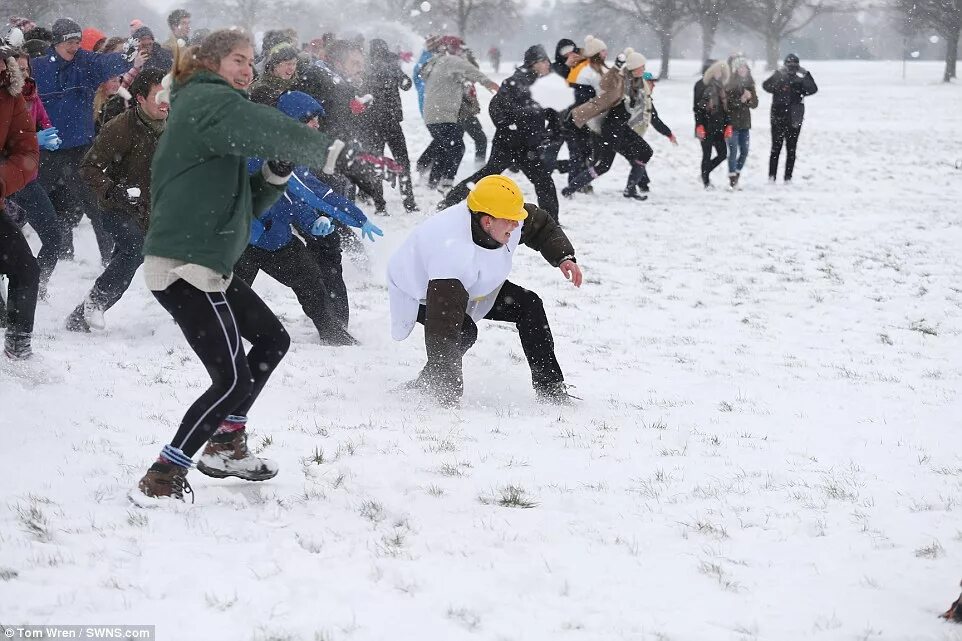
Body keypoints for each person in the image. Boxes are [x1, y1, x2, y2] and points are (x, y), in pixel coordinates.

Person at [132, 29, 393, 504]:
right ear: (210, 63)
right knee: (230, 378)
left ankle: (227, 442)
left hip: (209, 261)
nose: (247, 69)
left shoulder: (214, 113)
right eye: (238, 59)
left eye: (250, 61)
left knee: (274, 339)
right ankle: (163, 475)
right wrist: (333, 153)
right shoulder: (203, 101)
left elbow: (248, 204)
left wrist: (276, 172)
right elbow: (263, 122)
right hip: (182, 263)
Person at [388, 175, 581, 406]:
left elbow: (541, 225)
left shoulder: (505, 217)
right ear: (487, 221)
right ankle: (432, 385)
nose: (515, 224)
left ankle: (551, 390)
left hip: (473, 284)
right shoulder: (450, 254)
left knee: (529, 305)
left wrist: (563, 257)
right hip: (421, 293)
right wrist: (447, 394)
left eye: (516, 219)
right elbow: (443, 331)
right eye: (510, 220)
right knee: (464, 330)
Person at [237, 91, 383, 346]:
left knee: (309, 278)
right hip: (242, 236)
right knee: (229, 291)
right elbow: (311, 192)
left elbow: (296, 199)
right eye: (310, 120)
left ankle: (333, 333)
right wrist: (355, 217)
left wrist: (313, 221)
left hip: (273, 235)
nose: (316, 124)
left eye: (317, 119)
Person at [32, 18, 144, 262]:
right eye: (69, 42)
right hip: (48, 147)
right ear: (56, 43)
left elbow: (110, 62)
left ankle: (110, 258)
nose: (74, 46)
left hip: (81, 149)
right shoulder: (39, 66)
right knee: (33, 201)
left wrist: (127, 54)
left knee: (96, 204)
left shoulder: (86, 62)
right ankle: (52, 254)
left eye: (77, 41)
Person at [66, 69, 168, 333]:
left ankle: (80, 317)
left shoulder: (175, 125)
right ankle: (96, 300)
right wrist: (115, 190)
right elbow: (88, 168)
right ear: (140, 99)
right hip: (117, 208)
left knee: (128, 263)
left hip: (153, 210)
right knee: (135, 249)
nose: (165, 101)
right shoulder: (120, 128)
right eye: (158, 96)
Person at [440, 45, 560, 220]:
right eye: (544, 61)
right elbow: (496, 107)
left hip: (528, 146)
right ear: (534, 63)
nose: (548, 64)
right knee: (486, 177)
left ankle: (551, 222)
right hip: (508, 143)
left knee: (544, 182)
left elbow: (550, 112)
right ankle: (449, 201)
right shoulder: (514, 82)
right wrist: (508, 127)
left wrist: (552, 131)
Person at [562, 49, 657, 200]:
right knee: (603, 166)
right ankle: (570, 188)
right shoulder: (620, 79)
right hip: (610, 128)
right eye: (642, 67)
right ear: (634, 68)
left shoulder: (637, 83)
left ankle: (630, 190)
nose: (644, 70)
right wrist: (616, 68)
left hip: (622, 127)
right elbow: (605, 83)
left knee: (646, 151)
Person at [6, 49, 62, 299]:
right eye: (17, 68)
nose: (22, 73)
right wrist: (32, 140)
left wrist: (51, 135)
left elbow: (44, 121)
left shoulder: (31, 94)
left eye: (26, 69)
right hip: (5, 180)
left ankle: (38, 285)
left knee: (53, 237)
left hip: (28, 178)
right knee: (6, 246)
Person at [0, 43, 41, 360]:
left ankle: (18, 347)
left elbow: (27, 153)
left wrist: (2, 180)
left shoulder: (9, 96)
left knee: (25, 269)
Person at [419, 36, 498, 191]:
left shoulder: (436, 63)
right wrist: (490, 83)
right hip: (444, 114)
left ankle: (433, 180)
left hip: (433, 115)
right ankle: (447, 182)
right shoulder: (451, 61)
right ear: (452, 49)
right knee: (457, 146)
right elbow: (471, 70)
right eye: (460, 48)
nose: (462, 50)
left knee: (444, 146)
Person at [363, 38, 418, 212]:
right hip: (392, 121)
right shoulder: (391, 66)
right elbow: (407, 84)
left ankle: (379, 204)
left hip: (372, 122)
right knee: (402, 161)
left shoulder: (366, 67)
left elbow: (360, 92)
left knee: (375, 162)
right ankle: (409, 202)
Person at [763, 53, 817, 183]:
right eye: (789, 65)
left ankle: (788, 177)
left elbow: (813, 89)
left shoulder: (800, 81)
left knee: (791, 149)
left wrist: (806, 74)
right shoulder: (779, 80)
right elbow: (766, 86)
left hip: (794, 119)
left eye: (794, 65)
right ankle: (772, 176)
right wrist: (778, 73)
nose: (791, 68)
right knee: (776, 148)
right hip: (778, 118)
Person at [694, 59, 732, 189]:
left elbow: (726, 109)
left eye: (722, 70)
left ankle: (705, 172)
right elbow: (697, 108)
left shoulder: (722, 87)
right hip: (705, 125)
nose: (719, 73)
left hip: (719, 126)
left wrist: (728, 124)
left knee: (722, 154)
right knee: (707, 154)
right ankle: (706, 181)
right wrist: (699, 124)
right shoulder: (701, 85)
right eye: (717, 70)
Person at [724, 54, 758, 189]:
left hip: (745, 124)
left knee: (744, 151)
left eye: (745, 67)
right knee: (732, 152)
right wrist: (741, 101)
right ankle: (732, 177)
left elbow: (755, 104)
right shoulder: (729, 84)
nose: (743, 69)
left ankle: (737, 173)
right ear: (735, 70)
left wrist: (749, 99)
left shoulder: (750, 84)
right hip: (732, 124)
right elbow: (727, 105)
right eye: (740, 67)